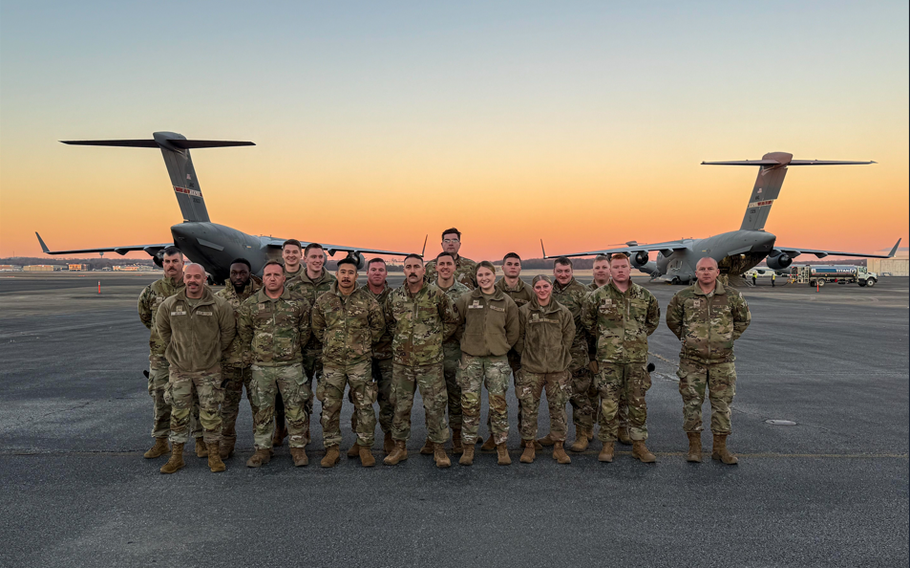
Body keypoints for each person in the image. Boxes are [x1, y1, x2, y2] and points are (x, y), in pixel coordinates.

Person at [666, 257, 751, 465]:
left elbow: (743, 320)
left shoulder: (732, 296)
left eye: (709, 269)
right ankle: (694, 447)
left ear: (717, 272)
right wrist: (688, 339)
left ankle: (720, 448)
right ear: (696, 273)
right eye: (702, 269)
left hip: (722, 362)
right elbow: (673, 321)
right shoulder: (683, 296)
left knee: (722, 405)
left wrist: (727, 339)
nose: (705, 272)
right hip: (691, 362)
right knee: (691, 405)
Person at [155, 264, 236, 474]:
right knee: (178, 414)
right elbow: (163, 330)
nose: (193, 280)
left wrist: (212, 352)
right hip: (179, 369)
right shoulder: (169, 305)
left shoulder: (219, 305)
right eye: (189, 276)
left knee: (210, 414)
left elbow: (227, 333)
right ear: (184, 278)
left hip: (208, 370)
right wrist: (176, 349)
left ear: (204, 279)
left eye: (197, 277)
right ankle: (177, 457)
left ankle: (214, 455)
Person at [582, 253, 660, 464]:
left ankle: (639, 445)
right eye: (615, 267)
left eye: (623, 266)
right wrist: (607, 339)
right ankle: (607, 444)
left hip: (635, 361)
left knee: (637, 403)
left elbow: (652, 322)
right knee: (608, 403)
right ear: (610, 270)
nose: (619, 270)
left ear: (629, 268)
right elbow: (588, 322)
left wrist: (635, 338)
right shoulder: (598, 296)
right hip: (608, 361)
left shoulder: (644, 296)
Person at [383, 254, 459, 468]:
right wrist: (401, 341)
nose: (413, 270)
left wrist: (434, 339)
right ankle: (400, 447)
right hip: (403, 363)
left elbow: (452, 320)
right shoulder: (395, 297)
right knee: (400, 405)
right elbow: (389, 323)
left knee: (435, 406)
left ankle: (439, 448)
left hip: (430, 363)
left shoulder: (437, 295)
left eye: (417, 266)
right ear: (404, 271)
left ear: (425, 270)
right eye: (409, 267)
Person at [311, 257, 385, 468]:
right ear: (337, 274)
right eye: (342, 272)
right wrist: (331, 343)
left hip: (359, 363)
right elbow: (317, 328)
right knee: (330, 407)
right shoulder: (324, 300)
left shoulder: (367, 300)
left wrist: (361, 344)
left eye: (350, 273)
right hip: (332, 363)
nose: (346, 276)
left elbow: (378, 328)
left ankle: (364, 446)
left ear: (356, 276)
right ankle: (332, 448)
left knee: (365, 406)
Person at [238, 260, 312, 468]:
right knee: (262, 410)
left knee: (296, 409)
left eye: (276, 275)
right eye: (268, 275)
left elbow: (305, 332)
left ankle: (298, 449)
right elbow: (245, 333)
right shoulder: (251, 305)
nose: (272, 278)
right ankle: (262, 450)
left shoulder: (298, 303)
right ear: (263, 279)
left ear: (284, 278)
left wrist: (291, 349)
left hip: (291, 366)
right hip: (262, 367)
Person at [137, 247, 202, 459]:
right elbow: (146, 316)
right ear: (162, 264)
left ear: (182, 263)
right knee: (160, 397)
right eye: (166, 261)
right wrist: (161, 337)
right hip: (161, 356)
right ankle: (161, 441)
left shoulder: (195, 287)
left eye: (175, 261)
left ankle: (200, 440)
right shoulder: (151, 291)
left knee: (195, 399)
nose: (171, 265)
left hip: (190, 355)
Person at [453, 261, 520, 466]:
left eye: (487, 275)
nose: (484, 278)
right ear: (476, 278)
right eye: (480, 275)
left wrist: (502, 347)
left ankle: (501, 446)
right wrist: (467, 342)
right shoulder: (466, 299)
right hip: (471, 359)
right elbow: (457, 324)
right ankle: (468, 448)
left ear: (494, 275)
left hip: (497, 360)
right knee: (470, 405)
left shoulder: (505, 301)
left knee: (498, 405)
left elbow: (513, 330)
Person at [514, 275, 575, 464]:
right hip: (531, 369)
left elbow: (568, 336)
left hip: (557, 370)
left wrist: (558, 354)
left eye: (545, 286)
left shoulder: (563, 312)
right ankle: (529, 445)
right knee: (529, 409)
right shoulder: (524, 312)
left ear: (551, 288)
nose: (542, 290)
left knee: (558, 408)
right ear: (533, 289)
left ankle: (558, 446)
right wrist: (528, 354)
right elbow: (518, 337)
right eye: (538, 287)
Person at [478, 252, 535, 451]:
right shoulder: (492, 289)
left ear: (520, 268)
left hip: (522, 352)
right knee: (497, 396)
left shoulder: (529, 292)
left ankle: (527, 437)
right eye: (508, 264)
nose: (512, 267)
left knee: (526, 396)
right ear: (502, 268)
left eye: (516, 264)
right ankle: (494, 436)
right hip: (498, 352)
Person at [287, 243, 337, 446]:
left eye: (320, 257)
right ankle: (303, 432)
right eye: (313, 257)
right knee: (301, 395)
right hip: (303, 349)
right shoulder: (292, 285)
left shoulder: (334, 283)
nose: (317, 260)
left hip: (327, 349)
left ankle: (329, 436)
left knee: (328, 395)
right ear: (304, 259)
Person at [543, 257, 594, 452]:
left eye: (566, 271)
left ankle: (582, 434)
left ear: (572, 271)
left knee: (579, 394)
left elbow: (591, 323)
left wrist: (592, 353)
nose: (563, 275)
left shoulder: (583, 292)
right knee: (556, 395)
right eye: (559, 271)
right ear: (554, 272)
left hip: (576, 351)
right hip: (553, 352)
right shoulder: (547, 289)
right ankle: (556, 433)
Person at [215, 258, 262, 459]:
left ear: (249, 273)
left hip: (255, 362)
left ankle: (262, 445)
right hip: (229, 363)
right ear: (230, 274)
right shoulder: (219, 298)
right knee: (227, 407)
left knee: (260, 407)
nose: (238, 277)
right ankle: (226, 443)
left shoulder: (261, 296)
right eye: (234, 273)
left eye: (243, 273)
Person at [432, 251, 472, 455]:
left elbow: (468, 325)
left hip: (455, 354)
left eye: (449, 263)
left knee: (456, 399)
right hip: (430, 355)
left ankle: (457, 437)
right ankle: (434, 438)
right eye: (442, 264)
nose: (445, 267)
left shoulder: (465, 293)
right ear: (436, 267)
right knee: (433, 400)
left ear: (455, 267)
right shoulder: (426, 291)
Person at [588, 254, 629, 444]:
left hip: (620, 353)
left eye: (604, 267)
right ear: (593, 271)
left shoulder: (623, 292)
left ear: (609, 270)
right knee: (589, 394)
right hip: (591, 351)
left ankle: (621, 429)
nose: (601, 271)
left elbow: (648, 322)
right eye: (597, 268)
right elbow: (586, 323)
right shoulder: (586, 292)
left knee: (620, 394)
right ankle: (586, 431)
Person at [362, 258, 396, 455]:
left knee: (389, 399)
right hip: (363, 357)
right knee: (362, 401)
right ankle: (361, 439)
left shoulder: (394, 296)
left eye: (380, 270)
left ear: (386, 274)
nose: (376, 273)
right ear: (367, 273)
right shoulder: (358, 296)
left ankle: (389, 436)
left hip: (388, 356)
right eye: (373, 269)